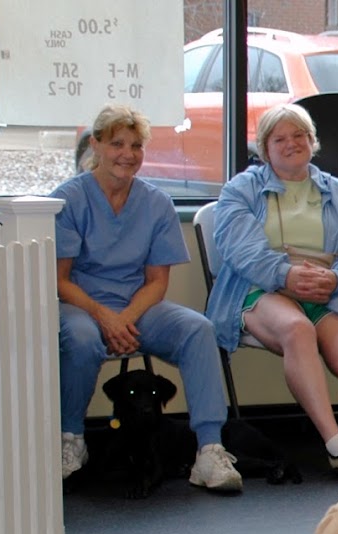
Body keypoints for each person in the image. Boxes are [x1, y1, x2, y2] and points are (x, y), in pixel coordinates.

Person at [206, 103, 338, 477]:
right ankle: (336, 443)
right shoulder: (241, 190)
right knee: (297, 329)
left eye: (299, 135)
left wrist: (337, 279)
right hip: (261, 287)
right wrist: (285, 275)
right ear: (264, 149)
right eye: (280, 139)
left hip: (327, 287)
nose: (292, 144)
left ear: (312, 141)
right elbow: (239, 249)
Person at [51, 104, 241, 492]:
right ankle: (71, 439)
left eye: (136, 145)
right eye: (117, 143)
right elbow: (59, 279)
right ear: (97, 144)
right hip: (81, 306)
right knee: (83, 339)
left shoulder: (155, 203)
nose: (128, 154)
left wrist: (126, 318)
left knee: (197, 330)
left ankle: (209, 448)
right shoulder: (69, 199)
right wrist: (106, 317)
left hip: (138, 306)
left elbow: (157, 281)